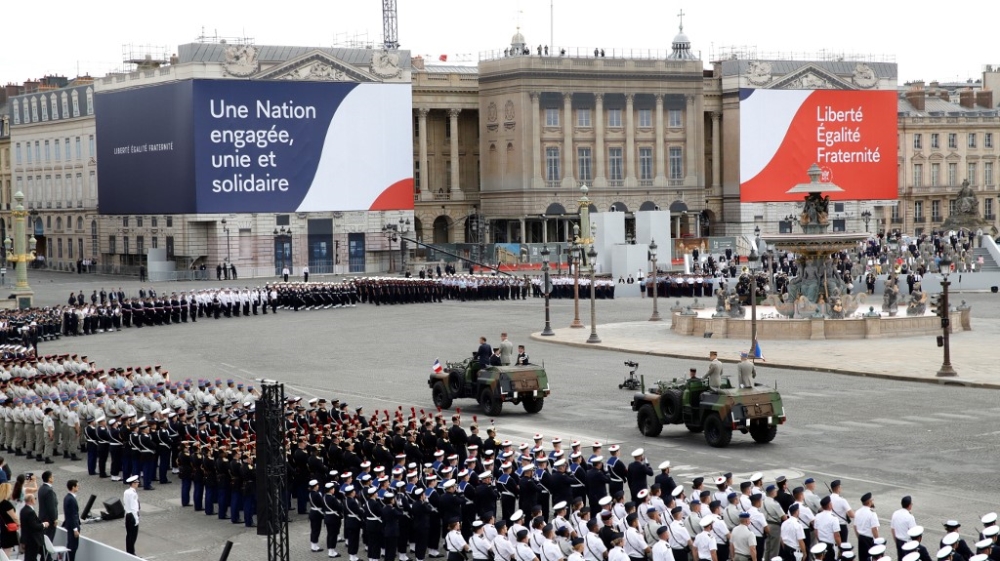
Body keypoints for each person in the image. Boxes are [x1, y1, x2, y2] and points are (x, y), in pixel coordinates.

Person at [20, 493, 47, 561]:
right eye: (35, 498)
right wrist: (44, 525)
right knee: (31, 557)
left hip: (28, 538)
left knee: (31, 556)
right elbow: (34, 526)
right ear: (31, 500)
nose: (35, 500)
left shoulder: (23, 510)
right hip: (33, 539)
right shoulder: (30, 512)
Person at [37, 470, 57, 542]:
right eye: (52, 477)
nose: (53, 478)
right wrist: (54, 519)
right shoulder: (49, 491)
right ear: (49, 479)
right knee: (49, 539)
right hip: (49, 520)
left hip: (42, 517)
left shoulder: (41, 488)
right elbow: (51, 507)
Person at [63, 479, 81, 561]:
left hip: (69, 525)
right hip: (72, 527)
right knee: (73, 547)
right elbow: (72, 515)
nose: (78, 487)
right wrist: (75, 529)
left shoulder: (67, 497)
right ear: (73, 487)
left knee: (71, 546)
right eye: (77, 486)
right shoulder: (71, 499)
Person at [124, 475, 141, 556]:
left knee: (129, 535)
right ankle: (131, 553)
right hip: (132, 516)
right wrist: (136, 519)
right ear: (133, 484)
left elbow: (126, 504)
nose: (138, 483)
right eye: (137, 482)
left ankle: (129, 552)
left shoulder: (126, 492)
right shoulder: (133, 494)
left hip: (128, 514)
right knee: (133, 536)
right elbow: (134, 507)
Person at [0, 482, 18, 558]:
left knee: (4, 551)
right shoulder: (7, 504)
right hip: (9, 529)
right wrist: (20, 523)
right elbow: (14, 517)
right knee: (7, 551)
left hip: (2, 528)